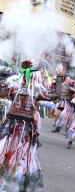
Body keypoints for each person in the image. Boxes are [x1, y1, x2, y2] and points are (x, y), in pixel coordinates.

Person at [0, 60, 58, 192]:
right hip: (15, 126)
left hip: (20, 127)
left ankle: (16, 184)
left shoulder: (22, 87)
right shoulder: (17, 86)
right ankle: (15, 184)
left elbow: (53, 96)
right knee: (15, 155)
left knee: (14, 154)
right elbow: (54, 96)